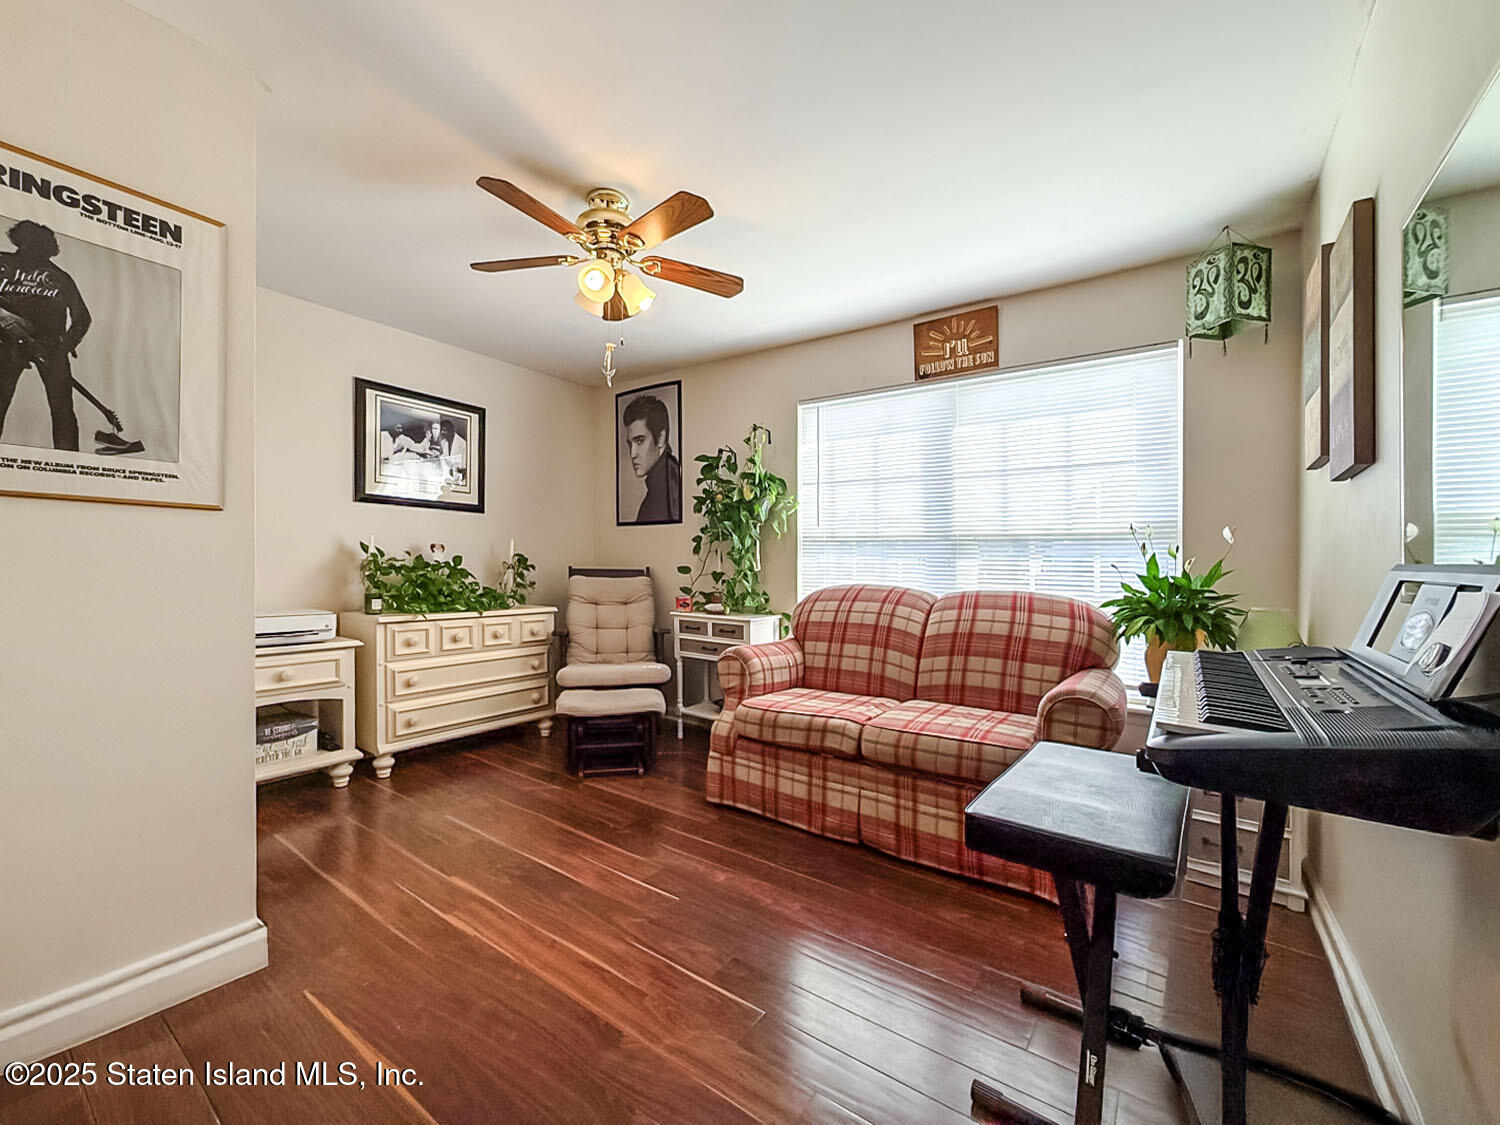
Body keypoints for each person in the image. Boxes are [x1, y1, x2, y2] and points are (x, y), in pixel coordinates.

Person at [0, 220, 92, 450]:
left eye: (39, 244)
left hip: (51, 347)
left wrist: (64, 345)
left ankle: (69, 461)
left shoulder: (60, 277)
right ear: (19, 240)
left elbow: (82, 318)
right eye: (29, 242)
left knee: (62, 410)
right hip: (6, 345)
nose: (33, 249)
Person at [622, 393, 680, 522]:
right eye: (630, 444)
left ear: (660, 438)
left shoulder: (664, 488)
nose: (633, 454)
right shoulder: (667, 476)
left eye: (640, 441)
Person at [438, 418, 467, 483]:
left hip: (459, 477)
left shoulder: (462, 443)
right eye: (441, 430)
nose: (442, 433)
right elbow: (445, 457)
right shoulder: (444, 442)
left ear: (452, 431)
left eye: (445, 430)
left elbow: (464, 466)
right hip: (448, 475)